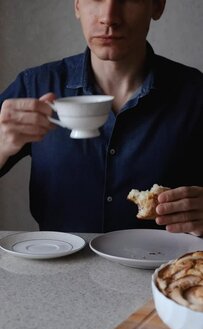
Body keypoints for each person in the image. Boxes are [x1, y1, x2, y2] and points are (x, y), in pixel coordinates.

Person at [0, 0, 203, 236]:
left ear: (157, 6)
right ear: (77, 5)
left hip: (166, 270)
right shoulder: (33, 85)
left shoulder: (196, 94)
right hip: (59, 269)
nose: (109, 16)